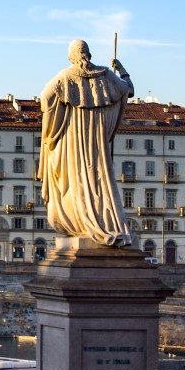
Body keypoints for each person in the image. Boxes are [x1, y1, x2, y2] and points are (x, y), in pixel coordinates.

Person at [37, 38, 134, 246]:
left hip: (73, 142)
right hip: (98, 143)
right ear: (88, 54)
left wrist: (55, 125)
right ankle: (106, 221)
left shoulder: (65, 77)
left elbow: (45, 98)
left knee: (77, 182)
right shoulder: (106, 75)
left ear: (72, 56)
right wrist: (122, 71)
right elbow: (128, 90)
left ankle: (81, 221)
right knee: (100, 181)